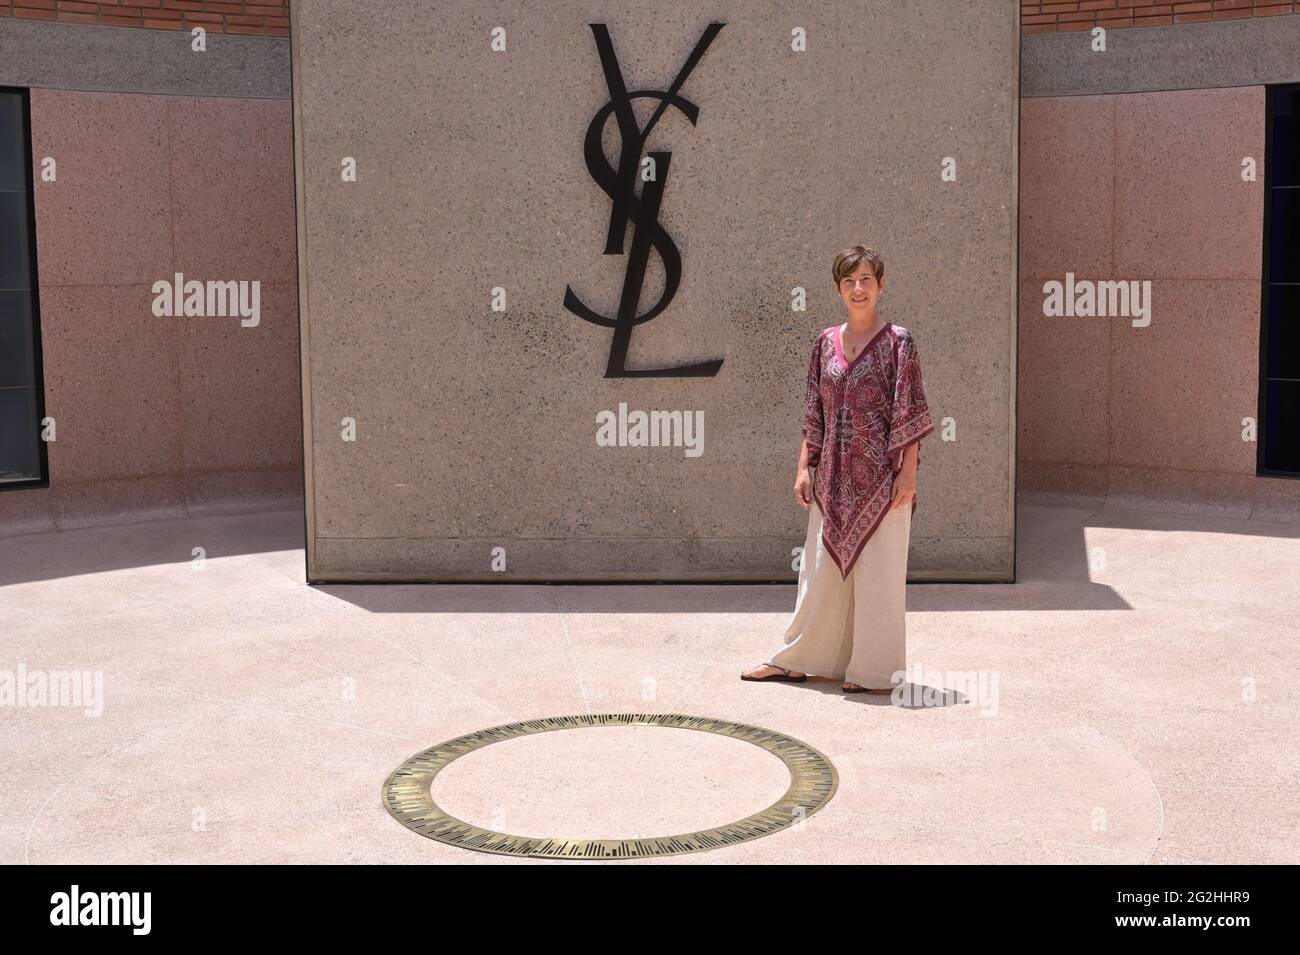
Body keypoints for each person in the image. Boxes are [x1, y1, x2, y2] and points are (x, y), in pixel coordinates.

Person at [741, 245, 935, 693]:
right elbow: (815, 413)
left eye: (866, 279)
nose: (858, 288)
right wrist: (803, 468)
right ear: (838, 288)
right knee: (819, 574)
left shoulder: (898, 343)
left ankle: (874, 673)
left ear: (881, 285)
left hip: (884, 481)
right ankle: (797, 659)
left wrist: (909, 474)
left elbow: (911, 410)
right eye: (849, 281)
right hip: (830, 478)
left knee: (879, 576)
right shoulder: (824, 343)